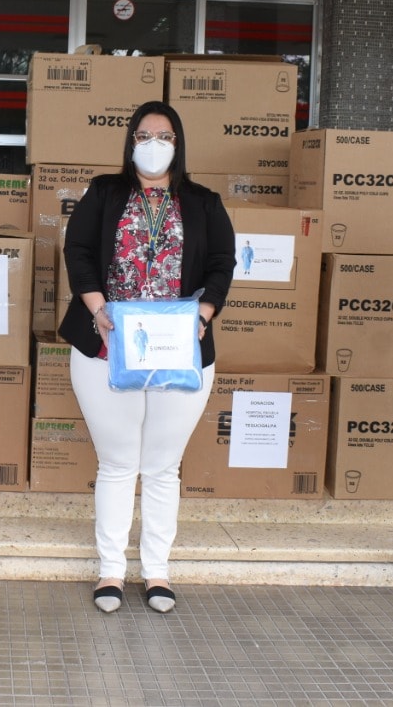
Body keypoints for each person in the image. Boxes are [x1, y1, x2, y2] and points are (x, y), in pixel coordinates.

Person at [59, 100, 236, 614]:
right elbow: (78, 251)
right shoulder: (105, 192)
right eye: (143, 135)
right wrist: (97, 308)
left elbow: (223, 262)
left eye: (164, 136)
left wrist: (203, 314)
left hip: (180, 350)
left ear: (178, 144)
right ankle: (111, 571)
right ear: (130, 142)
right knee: (117, 463)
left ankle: (157, 571)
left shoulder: (204, 202)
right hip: (107, 346)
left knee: (162, 466)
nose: (153, 144)